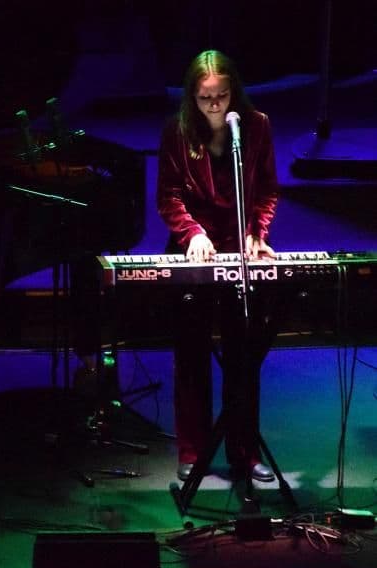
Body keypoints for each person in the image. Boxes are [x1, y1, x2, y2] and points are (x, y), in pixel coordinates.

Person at [157, 50, 279, 483]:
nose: (214, 105)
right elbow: (168, 195)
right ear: (191, 97)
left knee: (243, 354)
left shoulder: (256, 126)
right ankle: (193, 449)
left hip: (240, 246)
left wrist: (256, 232)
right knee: (191, 353)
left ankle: (244, 451)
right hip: (194, 248)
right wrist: (192, 233)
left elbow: (267, 190)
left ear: (234, 93)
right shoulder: (177, 131)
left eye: (222, 96)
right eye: (205, 97)